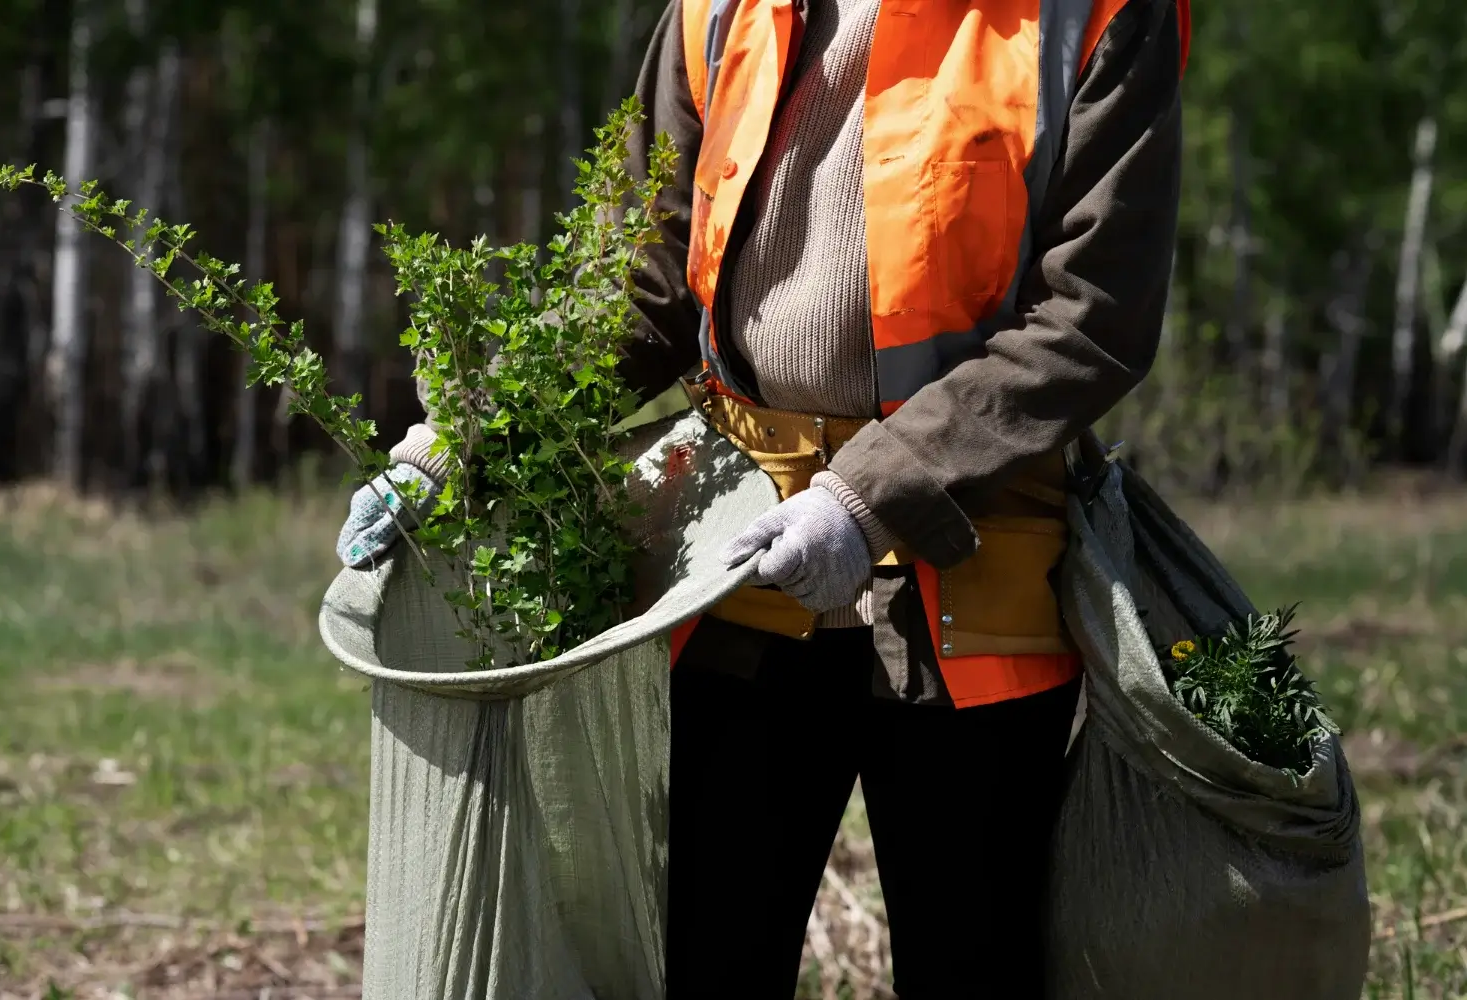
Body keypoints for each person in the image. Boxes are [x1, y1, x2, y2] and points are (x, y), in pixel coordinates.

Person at [337, 0, 1187, 994]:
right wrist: (467, 435)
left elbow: (1090, 319)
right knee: (708, 957)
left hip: (975, 583)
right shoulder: (717, 10)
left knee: (974, 961)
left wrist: (863, 497)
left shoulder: (1088, 16)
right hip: (734, 571)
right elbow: (640, 280)